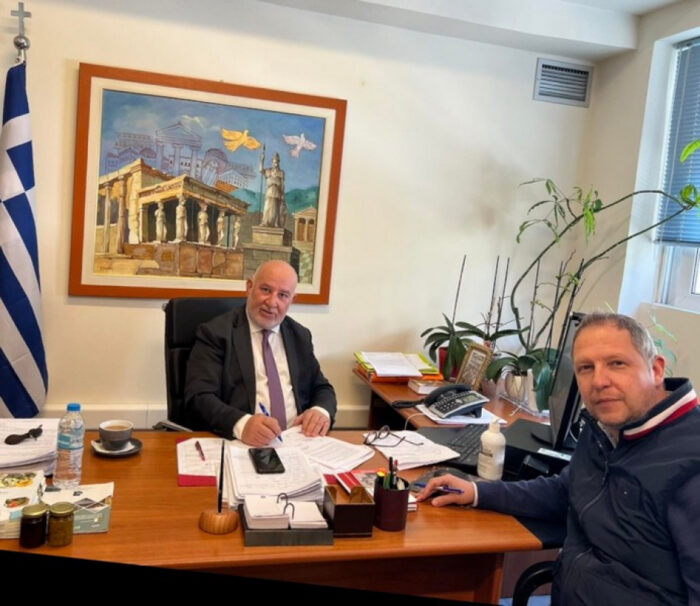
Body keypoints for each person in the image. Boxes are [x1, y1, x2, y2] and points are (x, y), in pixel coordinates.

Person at [417, 312, 700, 606]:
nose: (599, 381)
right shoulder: (608, 428)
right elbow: (568, 490)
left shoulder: (689, 464)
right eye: (586, 368)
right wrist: (478, 492)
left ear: (656, 370)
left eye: (617, 363)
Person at [184, 260, 336, 445]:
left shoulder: (300, 336)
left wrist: (320, 411)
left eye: (283, 295)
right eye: (265, 290)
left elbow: (322, 388)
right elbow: (199, 397)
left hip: (298, 441)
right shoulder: (216, 333)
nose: (272, 302)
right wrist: (242, 424)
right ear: (249, 287)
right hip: (242, 443)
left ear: (292, 300)